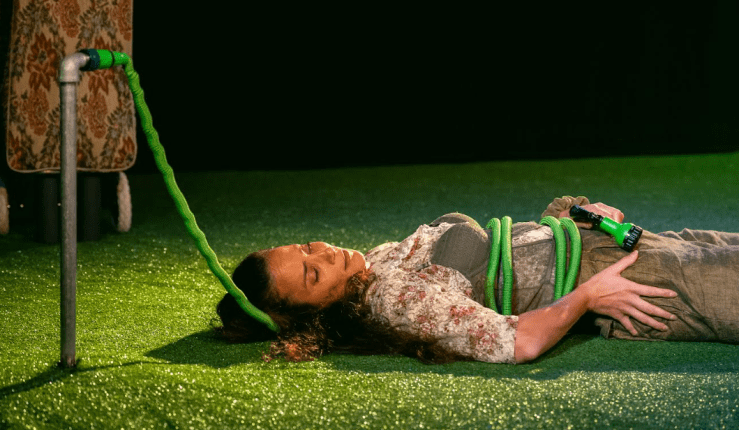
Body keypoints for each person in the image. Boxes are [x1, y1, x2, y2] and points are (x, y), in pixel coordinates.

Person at [215, 196, 739, 364]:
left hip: (621, 244)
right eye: (313, 273)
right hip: (628, 280)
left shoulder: (374, 262)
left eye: (307, 248)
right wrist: (589, 296)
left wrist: (571, 213)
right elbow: (519, 341)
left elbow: (502, 254)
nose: (327, 254)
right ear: (316, 310)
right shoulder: (392, 300)